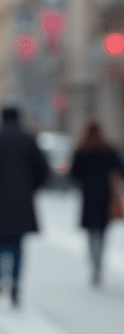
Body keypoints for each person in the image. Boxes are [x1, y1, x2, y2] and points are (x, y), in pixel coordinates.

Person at [0, 106, 50, 306]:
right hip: (22, 199)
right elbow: (43, 170)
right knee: (17, 245)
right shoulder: (28, 140)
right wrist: (30, 188)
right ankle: (16, 285)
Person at [69, 120, 124, 285]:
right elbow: (120, 168)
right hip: (105, 194)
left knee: (91, 232)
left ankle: (94, 262)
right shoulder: (107, 149)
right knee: (102, 231)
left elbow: (74, 173)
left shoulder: (82, 150)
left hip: (88, 195)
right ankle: (98, 262)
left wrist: (84, 182)